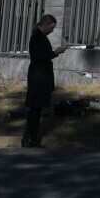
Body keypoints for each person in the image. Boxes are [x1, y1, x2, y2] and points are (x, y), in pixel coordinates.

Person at [22, 14, 67, 148]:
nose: (52, 31)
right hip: (38, 78)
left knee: (37, 109)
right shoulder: (37, 37)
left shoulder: (40, 37)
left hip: (41, 77)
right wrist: (56, 52)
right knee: (34, 109)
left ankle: (31, 138)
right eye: (51, 28)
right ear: (45, 25)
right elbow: (40, 56)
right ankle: (30, 139)